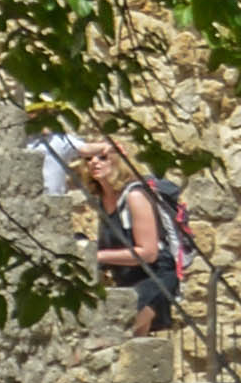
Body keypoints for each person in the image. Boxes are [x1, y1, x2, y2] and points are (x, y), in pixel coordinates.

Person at [76, 137, 200, 333]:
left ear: (119, 161)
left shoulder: (135, 196)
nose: (94, 162)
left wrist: (96, 256)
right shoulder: (102, 201)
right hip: (127, 280)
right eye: (89, 159)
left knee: (119, 334)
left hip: (155, 277)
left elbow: (148, 252)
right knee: (129, 341)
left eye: (103, 157)